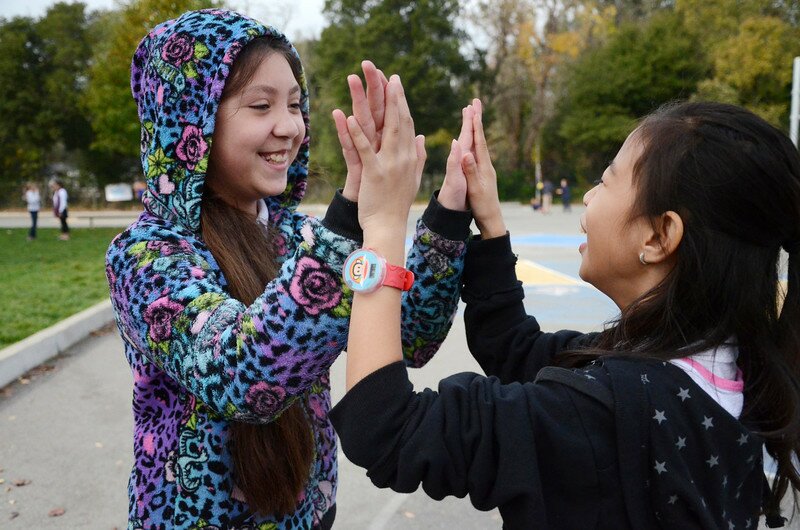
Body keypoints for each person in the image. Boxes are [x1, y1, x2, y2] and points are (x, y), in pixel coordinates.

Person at [330, 100, 800, 528]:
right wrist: (489, 223)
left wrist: (384, 228)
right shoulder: (713, 366)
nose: (589, 197)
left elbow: (385, 428)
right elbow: (515, 348)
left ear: (659, 237)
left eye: (607, 180)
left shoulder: (600, 414)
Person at [105, 9, 471, 529]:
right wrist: (355, 220)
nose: (291, 127)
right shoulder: (144, 255)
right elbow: (245, 377)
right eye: (261, 106)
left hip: (310, 512)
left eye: (296, 106)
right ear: (189, 119)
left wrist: (447, 217)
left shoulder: (296, 235)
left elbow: (409, 337)